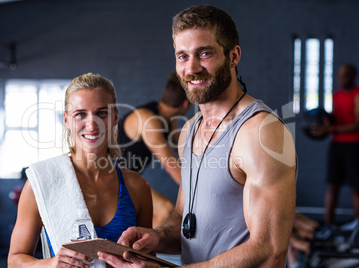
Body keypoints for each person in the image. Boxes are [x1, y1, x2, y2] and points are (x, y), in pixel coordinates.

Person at [98, 5, 297, 267]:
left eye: (204, 53)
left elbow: (269, 250)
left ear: (233, 56)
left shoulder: (261, 132)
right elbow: (184, 218)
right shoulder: (189, 131)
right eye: (182, 56)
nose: (191, 68)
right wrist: (156, 237)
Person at [8, 73, 153, 267]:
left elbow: (149, 260)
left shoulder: (137, 186)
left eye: (102, 113)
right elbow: (14, 260)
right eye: (80, 114)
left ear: (115, 117)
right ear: (67, 120)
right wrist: (51, 264)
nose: (92, 125)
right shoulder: (41, 183)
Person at [117, 73, 190, 227]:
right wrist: (199, 195)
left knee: (156, 212)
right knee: (166, 209)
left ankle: (132, 247)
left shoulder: (168, 120)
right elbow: (172, 166)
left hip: (127, 180)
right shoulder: (149, 121)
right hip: (111, 179)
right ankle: (132, 248)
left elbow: (184, 152)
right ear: (186, 104)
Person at [311, 64, 359, 230]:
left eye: (346, 75)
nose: (342, 78)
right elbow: (335, 118)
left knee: (355, 187)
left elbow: (357, 124)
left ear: (353, 77)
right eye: (340, 75)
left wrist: (330, 128)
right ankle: (328, 227)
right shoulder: (336, 96)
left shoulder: (357, 95)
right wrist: (322, 120)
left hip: (354, 144)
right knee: (332, 185)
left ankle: (357, 229)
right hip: (337, 145)